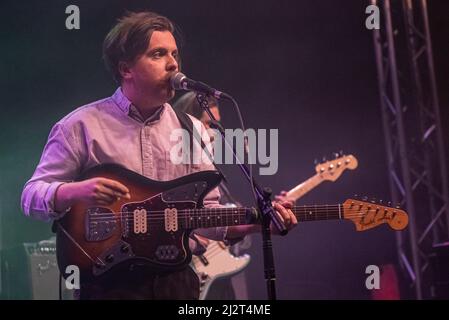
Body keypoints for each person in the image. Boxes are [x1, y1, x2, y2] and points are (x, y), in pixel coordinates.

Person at [21, 11, 297, 300]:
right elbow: (31, 196)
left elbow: (207, 216)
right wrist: (74, 192)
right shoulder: (80, 126)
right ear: (126, 68)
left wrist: (259, 224)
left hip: (176, 283)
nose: (173, 63)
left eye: (175, 54)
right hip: (108, 284)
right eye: (158, 54)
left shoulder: (192, 130)